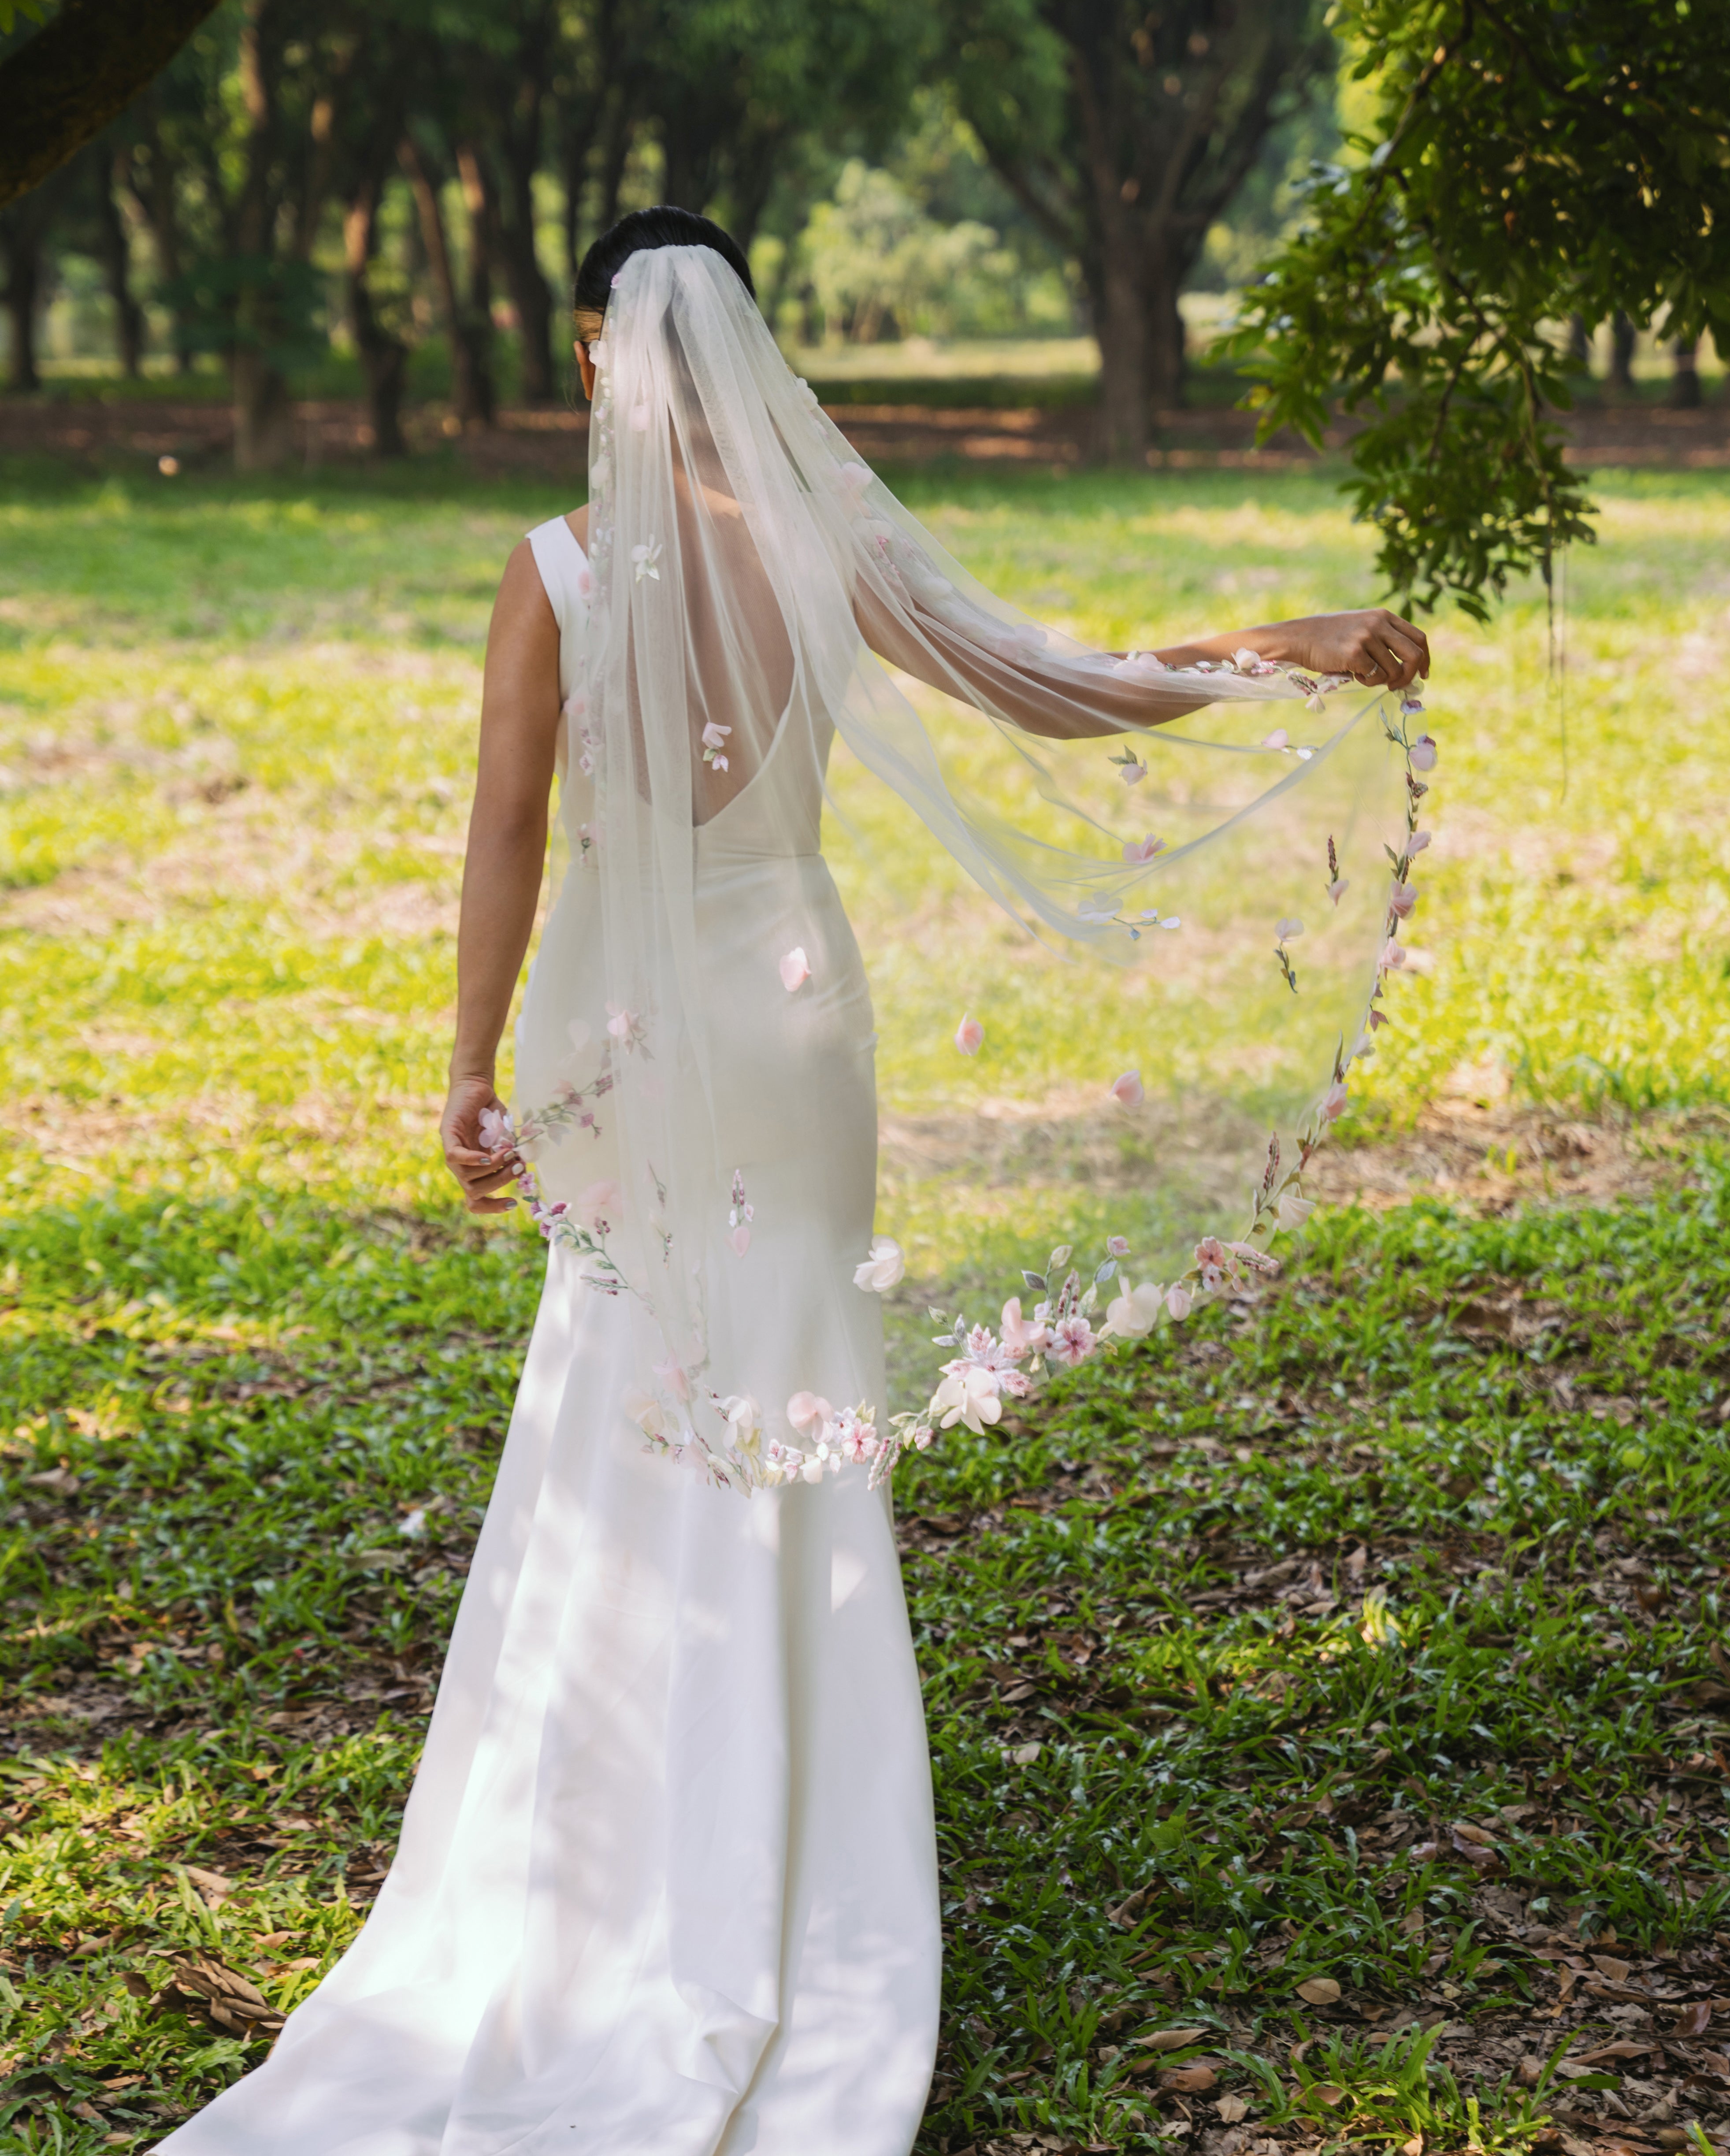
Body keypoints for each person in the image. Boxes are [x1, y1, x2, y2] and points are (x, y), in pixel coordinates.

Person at [160, 209, 1426, 2156]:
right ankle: (804, 1851)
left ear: (594, 356)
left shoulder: (554, 571)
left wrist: (469, 1064)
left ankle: (615, 1844)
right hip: (791, 1012)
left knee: (626, 1393)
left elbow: (508, 828)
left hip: (624, 1027)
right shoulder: (827, 549)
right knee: (791, 1387)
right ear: (748, 356)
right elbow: (1060, 683)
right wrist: (1291, 642)